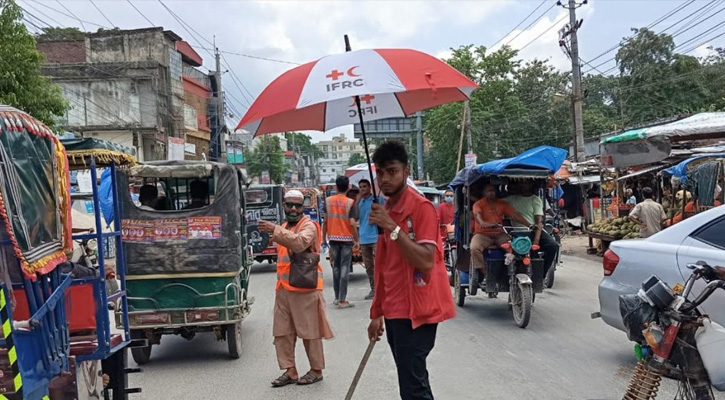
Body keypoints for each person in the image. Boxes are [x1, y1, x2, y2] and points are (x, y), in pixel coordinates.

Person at [366, 141, 455, 400]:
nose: (385, 179)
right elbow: (384, 268)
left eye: (392, 171)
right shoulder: (386, 209)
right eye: (380, 173)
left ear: (406, 172)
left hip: (418, 309)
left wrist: (392, 228)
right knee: (409, 381)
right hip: (394, 310)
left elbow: (426, 261)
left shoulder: (421, 208)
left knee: (413, 384)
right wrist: (377, 312)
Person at [258, 190, 333, 387]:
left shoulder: (309, 226)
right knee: (282, 332)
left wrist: (275, 230)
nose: (293, 209)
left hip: (305, 289)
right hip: (283, 289)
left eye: (297, 206)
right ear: (283, 205)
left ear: (304, 207)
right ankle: (290, 371)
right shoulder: (284, 226)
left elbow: (299, 243)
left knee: (310, 332)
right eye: (289, 205)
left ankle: (316, 370)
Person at [470, 183, 531, 283]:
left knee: (514, 246)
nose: (491, 193)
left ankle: (511, 270)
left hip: (499, 233)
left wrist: (529, 225)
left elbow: (515, 215)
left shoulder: (502, 204)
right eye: (489, 191)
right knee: (474, 248)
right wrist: (483, 223)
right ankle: (485, 274)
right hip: (482, 234)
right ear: (484, 193)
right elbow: (478, 215)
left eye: (493, 191)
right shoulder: (478, 204)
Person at [505, 180, 559, 278]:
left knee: (553, 245)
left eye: (527, 183)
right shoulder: (510, 199)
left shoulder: (535, 199)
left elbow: (539, 221)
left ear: (532, 186)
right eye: (522, 183)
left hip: (533, 231)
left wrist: (536, 241)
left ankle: (541, 275)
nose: (524, 185)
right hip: (516, 232)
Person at [322, 176, 359, 309]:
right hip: (347, 240)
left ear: (336, 187)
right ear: (348, 187)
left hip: (333, 239)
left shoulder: (327, 201)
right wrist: (357, 239)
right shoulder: (350, 202)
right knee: (344, 267)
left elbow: (325, 221)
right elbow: (352, 223)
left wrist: (323, 239)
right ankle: (343, 300)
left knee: (335, 267)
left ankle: (337, 298)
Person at [349, 179, 383, 300]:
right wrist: (357, 202)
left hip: (376, 238)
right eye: (360, 187)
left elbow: (386, 215)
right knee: (369, 267)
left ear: (370, 187)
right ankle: (374, 289)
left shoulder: (378, 200)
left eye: (365, 186)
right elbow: (356, 217)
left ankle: (383, 289)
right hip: (363, 238)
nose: (362, 189)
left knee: (380, 265)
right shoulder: (360, 202)